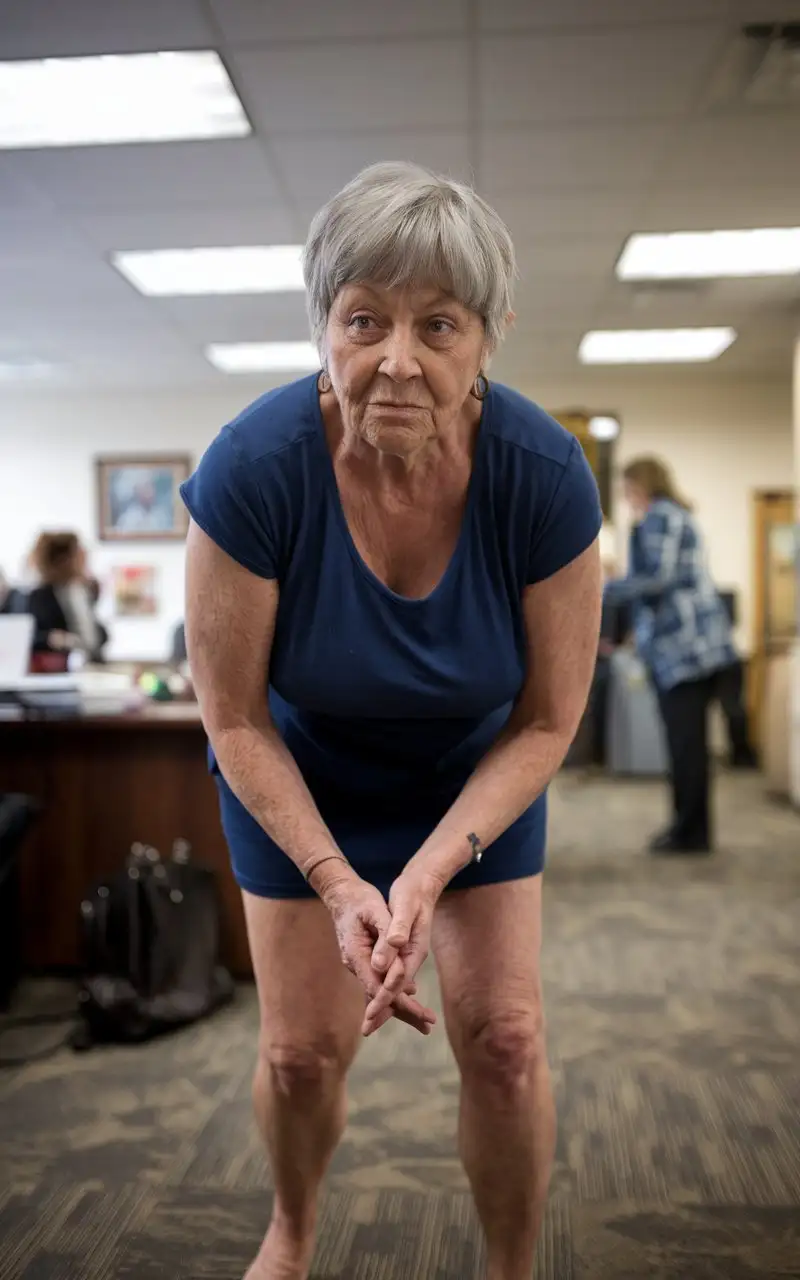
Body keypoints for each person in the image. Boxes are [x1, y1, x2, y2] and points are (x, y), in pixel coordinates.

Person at [181, 161, 603, 1280]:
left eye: (439, 322)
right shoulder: (254, 467)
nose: (398, 357)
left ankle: (510, 1264)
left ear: (490, 336)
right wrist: (334, 877)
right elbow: (229, 716)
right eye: (363, 318)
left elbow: (550, 718)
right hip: (297, 772)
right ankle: (293, 1226)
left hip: (478, 774)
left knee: (506, 1040)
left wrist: (425, 873)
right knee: (301, 1052)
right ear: (323, 324)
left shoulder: (543, 476)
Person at [605, 457, 738, 854]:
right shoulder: (678, 515)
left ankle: (688, 832)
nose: (628, 499)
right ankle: (691, 829)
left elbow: (657, 579)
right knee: (690, 746)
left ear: (642, 485)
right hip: (697, 647)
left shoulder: (658, 516)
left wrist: (603, 589)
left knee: (685, 747)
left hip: (685, 652)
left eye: (629, 489)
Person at [27, 533, 108, 664]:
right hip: (59, 670)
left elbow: (94, 636)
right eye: (77, 553)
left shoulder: (81, 591)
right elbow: (29, 636)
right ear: (62, 559)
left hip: (91, 665)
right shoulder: (40, 596)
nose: (83, 557)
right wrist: (52, 638)